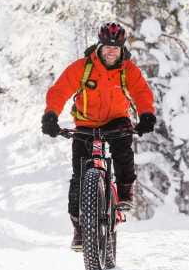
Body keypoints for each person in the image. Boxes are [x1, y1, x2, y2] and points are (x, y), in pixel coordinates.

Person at [41, 22, 156, 251]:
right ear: (99, 46)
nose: (111, 51)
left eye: (116, 48)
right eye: (107, 47)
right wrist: (51, 115)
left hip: (117, 120)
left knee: (123, 152)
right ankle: (79, 228)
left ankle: (123, 193)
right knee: (79, 177)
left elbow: (142, 92)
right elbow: (60, 90)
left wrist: (146, 115)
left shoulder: (128, 70)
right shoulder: (82, 68)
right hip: (85, 122)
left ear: (122, 49)